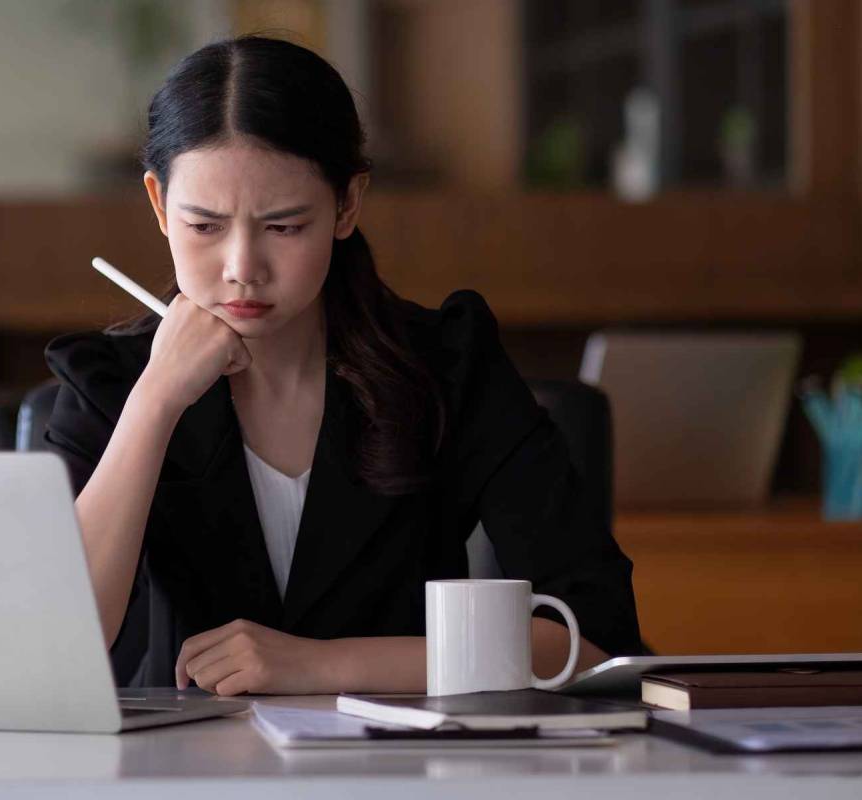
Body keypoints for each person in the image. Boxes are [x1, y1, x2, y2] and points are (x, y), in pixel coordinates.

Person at [43, 35, 645, 696]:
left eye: (284, 226)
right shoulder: (111, 382)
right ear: (160, 206)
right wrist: (156, 398)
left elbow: (595, 638)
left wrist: (317, 666)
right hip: (179, 779)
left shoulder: (446, 366)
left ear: (347, 205)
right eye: (204, 226)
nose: (242, 267)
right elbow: (56, 644)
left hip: (401, 769)